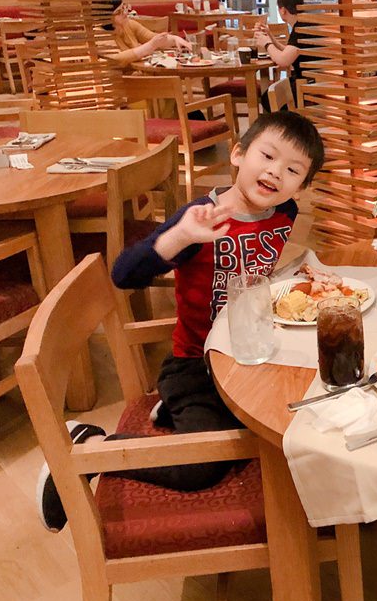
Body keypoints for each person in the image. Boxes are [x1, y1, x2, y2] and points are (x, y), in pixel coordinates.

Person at [35, 112, 326, 533]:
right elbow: (123, 274)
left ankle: (177, 412)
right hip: (195, 364)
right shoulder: (201, 217)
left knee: (308, 420)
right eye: (267, 156)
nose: (276, 172)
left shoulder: (285, 212)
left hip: (248, 357)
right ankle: (89, 444)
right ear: (238, 154)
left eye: (293, 170)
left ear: (302, 186)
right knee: (202, 468)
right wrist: (181, 236)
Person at [254, 0, 314, 112]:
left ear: (282, 10)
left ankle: (290, 122)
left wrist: (267, 43)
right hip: (312, 80)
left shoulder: (300, 29)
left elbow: (283, 60)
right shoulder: (305, 23)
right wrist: (270, 36)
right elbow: (290, 52)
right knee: (269, 96)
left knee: (268, 99)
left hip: (308, 85)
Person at [97, 0, 190, 67]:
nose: (125, 13)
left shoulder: (128, 24)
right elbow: (116, 59)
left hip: (136, 73)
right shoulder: (99, 34)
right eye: (119, 12)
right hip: (117, 80)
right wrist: (150, 46)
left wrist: (175, 39)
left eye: (124, 8)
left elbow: (152, 37)